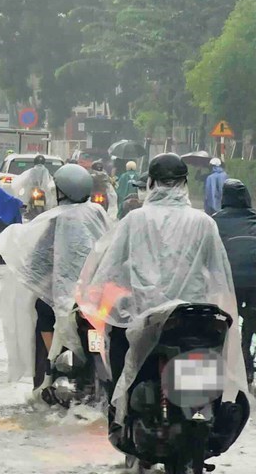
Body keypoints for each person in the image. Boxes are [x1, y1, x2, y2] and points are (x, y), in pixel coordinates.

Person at [76, 153, 248, 440]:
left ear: (151, 183)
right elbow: (218, 274)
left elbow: (110, 269)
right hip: (194, 318)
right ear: (183, 183)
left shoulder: (135, 220)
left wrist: (98, 297)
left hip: (146, 318)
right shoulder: (203, 222)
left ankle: (123, 417)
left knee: (118, 345)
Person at [0, 164, 111, 390]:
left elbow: (35, 262)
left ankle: (51, 362)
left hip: (69, 298)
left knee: (42, 308)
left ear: (60, 192)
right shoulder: (98, 214)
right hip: (96, 297)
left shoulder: (54, 220)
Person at [213, 179, 256, 384]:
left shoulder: (214, 222)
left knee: (225, 320)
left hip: (229, 284)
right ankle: (247, 356)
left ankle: (231, 360)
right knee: (251, 320)